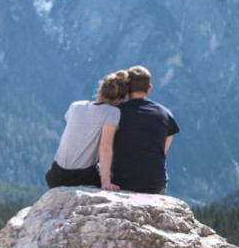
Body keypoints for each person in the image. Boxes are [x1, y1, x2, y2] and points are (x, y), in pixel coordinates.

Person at [46, 71, 129, 190]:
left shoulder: (75, 105)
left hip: (55, 176)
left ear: (100, 92)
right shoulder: (112, 112)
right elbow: (105, 148)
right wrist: (105, 182)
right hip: (81, 177)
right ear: (120, 101)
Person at [111, 65, 179, 194]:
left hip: (122, 181)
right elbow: (162, 151)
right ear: (149, 89)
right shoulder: (166, 114)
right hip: (155, 184)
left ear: (126, 89)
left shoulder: (115, 112)